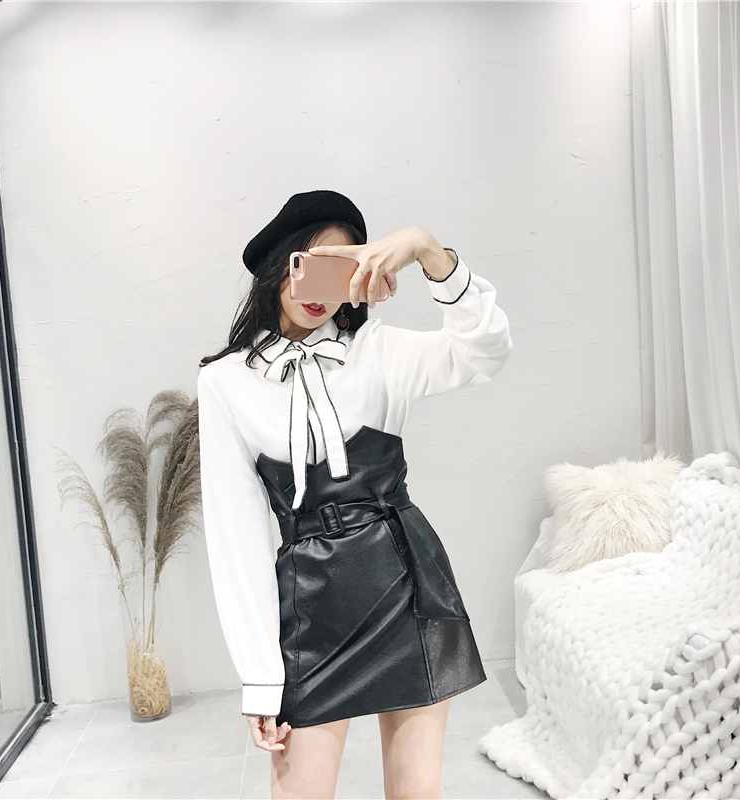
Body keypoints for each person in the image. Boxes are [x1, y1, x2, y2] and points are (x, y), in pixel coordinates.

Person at [197, 190, 513, 799]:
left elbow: (486, 352)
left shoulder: (379, 352)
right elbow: (236, 537)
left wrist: (427, 250)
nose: (322, 287)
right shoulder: (225, 382)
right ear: (280, 265)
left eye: (343, 268)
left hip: (408, 585)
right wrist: (260, 678)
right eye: (311, 263)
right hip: (311, 606)